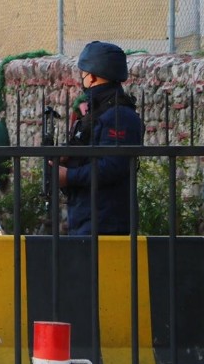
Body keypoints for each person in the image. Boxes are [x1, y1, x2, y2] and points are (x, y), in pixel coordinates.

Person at [57, 41, 143, 235]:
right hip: (85, 214)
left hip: (106, 220)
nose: (82, 79)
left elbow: (112, 166)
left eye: (84, 74)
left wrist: (68, 176)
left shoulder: (119, 115)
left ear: (93, 77)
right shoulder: (98, 109)